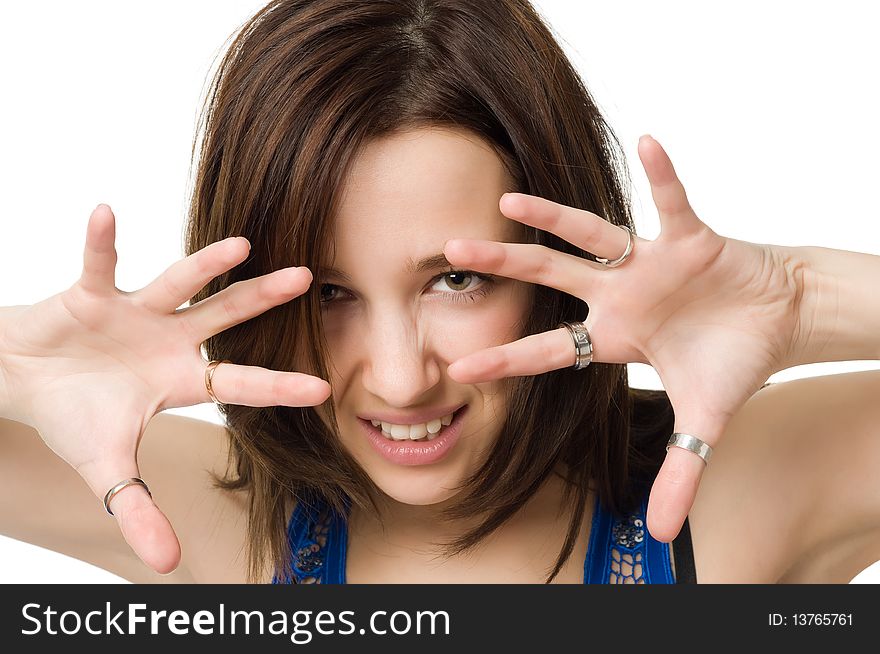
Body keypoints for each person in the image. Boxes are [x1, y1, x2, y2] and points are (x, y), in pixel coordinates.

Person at [1, 0, 879, 585]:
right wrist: (20, 367)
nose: (399, 378)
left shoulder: (726, 506)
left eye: (457, 281)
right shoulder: (235, 527)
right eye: (329, 294)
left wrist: (798, 302)